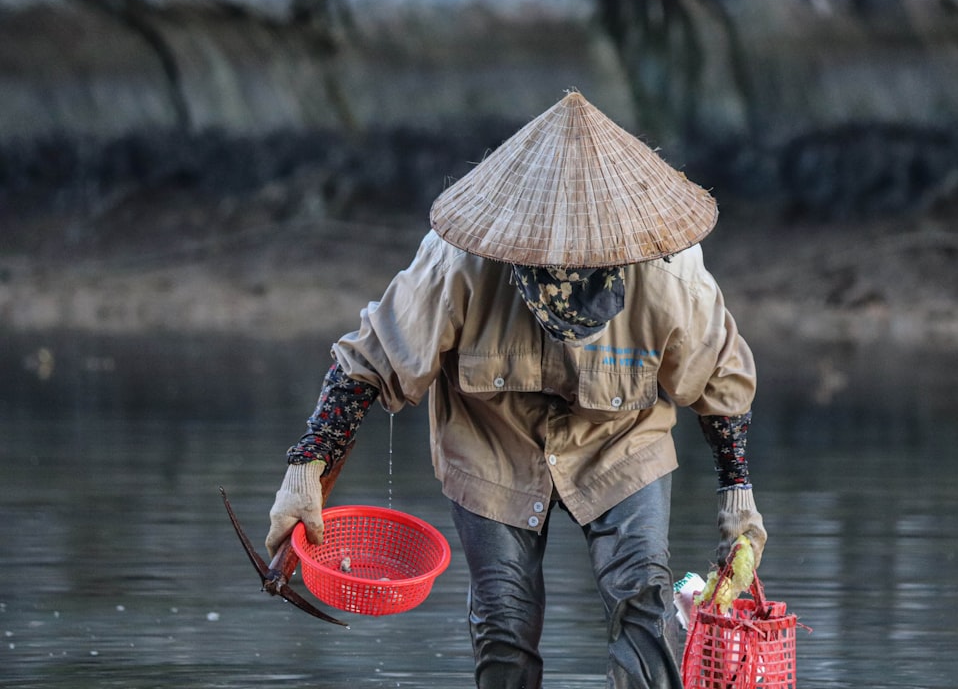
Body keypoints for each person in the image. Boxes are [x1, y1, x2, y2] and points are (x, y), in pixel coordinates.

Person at [264, 90, 767, 689]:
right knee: (504, 619)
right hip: (490, 445)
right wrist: (305, 471)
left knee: (644, 596)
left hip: (621, 441)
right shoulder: (456, 265)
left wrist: (738, 495)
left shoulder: (672, 275)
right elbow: (365, 363)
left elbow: (722, 381)